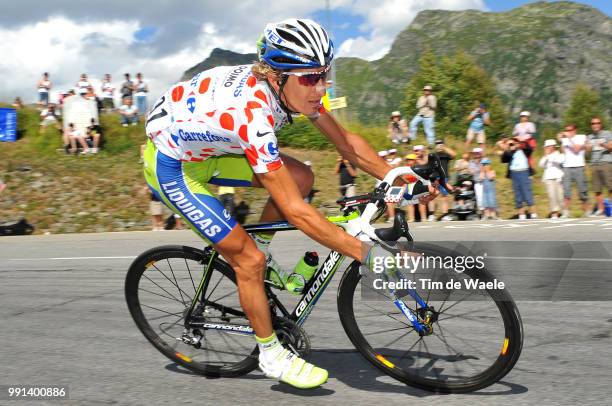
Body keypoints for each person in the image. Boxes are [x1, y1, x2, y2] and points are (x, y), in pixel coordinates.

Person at [141, 18, 439, 390]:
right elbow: (296, 211)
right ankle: (271, 353)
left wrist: (396, 175)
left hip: (211, 148)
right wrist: (368, 255)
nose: (321, 86)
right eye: (312, 77)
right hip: (175, 166)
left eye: (325, 74)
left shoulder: (293, 87)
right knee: (247, 259)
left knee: (303, 177)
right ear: (277, 76)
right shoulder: (252, 116)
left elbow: (345, 143)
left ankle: (261, 261)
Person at [501, 137, 537, 219]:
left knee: (527, 193)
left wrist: (522, 141)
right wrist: (508, 148)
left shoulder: (523, 150)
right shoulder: (510, 153)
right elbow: (503, 159)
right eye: (511, 143)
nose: (513, 144)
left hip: (524, 172)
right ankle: (521, 214)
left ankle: (534, 214)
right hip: (514, 173)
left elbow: (530, 150)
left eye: (514, 143)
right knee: (518, 194)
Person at [558, 124, 589, 217]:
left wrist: (569, 139)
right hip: (567, 167)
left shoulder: (581, 137)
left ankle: (586, 210)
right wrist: (561, 140)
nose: (568, 132)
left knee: (582, 190)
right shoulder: (565, 140)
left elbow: (576, 149)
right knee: (566, 189)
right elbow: (563, 152)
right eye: (566, 130)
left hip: (579, 166)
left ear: (575, 130)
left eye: (570, 130)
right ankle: (566, 211)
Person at [586, 117, 611, 216]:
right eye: (593, 123)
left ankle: (610, 208)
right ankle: (601, 210)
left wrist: (603, 144)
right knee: (597, 189)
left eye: (597, 123)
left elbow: (611, 147)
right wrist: (587, 149)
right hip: (594, 164)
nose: (595, 125)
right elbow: (587, 153)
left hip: (606, 163)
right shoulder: (590, 137)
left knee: (610, 187)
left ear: (600, 124)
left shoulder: (607, 133)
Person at [539, 139, 565, 219]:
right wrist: (546, 156)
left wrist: (552, 157)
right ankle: (554, 213)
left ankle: (564, 212)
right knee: (552, 196)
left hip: (558, 177)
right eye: (547, 147)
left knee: (560, 196)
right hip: (549, 178)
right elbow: (541, 165)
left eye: (549, 146)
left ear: (554, 147)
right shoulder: (545, 156)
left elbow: (561, 161)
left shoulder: (559, 154)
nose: (548, 148)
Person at [432, 139, 456, 218]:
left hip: (443, 177)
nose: (439, 145)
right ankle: (431, 215)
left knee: (444, 196)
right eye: (437, 144)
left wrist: (444, 148)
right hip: (435, 177)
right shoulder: (433, 155)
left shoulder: (446, 154)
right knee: (432, 196)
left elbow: (454, 155)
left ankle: (445, 214)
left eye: (440, 143)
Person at [468, 147, 484, 215]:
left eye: (478, 153)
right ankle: (482, 213)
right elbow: (471, 171)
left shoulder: (484, 161)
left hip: (485, 182)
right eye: (475, 153)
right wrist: (479, 169)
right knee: (479, 198)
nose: (477, 155)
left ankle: (489, 213)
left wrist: (479, 168)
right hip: (477, 182)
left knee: (486, 197)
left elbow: (486, 169)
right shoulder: (471, 162)